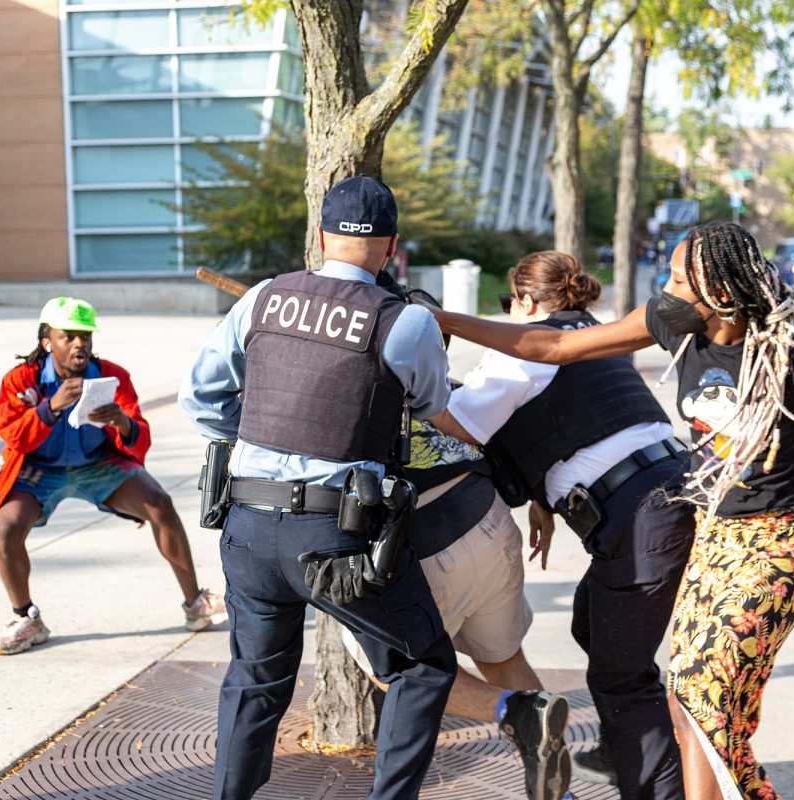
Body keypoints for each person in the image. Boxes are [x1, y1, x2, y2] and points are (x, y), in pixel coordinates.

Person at [425, 222, 794, 800]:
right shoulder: (672, 321)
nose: (666, 286)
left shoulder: (793, 350)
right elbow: (551, 346)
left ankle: (656, 778)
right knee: (693, 705)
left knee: (699, 697)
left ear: (721, 291)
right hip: (713, 538)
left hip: (774, 546)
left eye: (681, 278)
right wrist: (444, 321)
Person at [179, 176, 557, 800]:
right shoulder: (403, 322)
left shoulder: (266, 299)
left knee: (254, 681)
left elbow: (201, 398)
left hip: (245, 524)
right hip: (337, 536)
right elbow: (431, 401)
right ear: (392, 248)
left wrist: (262, 440)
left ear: (322, 236)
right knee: (422, 667)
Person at [425, 250, 696, 800]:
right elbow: (574, 424)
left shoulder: (522, 354)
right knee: (592, 621)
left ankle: (651, 783)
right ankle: (628, 751)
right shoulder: (595, 335)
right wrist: (543, 500)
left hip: (640, 517)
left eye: (510, 305)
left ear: (524, 302)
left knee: (620, 676)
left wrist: (413, 385)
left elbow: (461, 426)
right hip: (679, 490)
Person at [340, 415, 573, 800]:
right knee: (504, 660)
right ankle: (559, 793)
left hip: (419, 541)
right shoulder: (409, 356)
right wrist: (538, 496)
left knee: (400, 672)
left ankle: (518, 709)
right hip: (486, 514)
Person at [0, 297, 225, 656]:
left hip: (97, 463)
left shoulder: (111, 376)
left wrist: (122, 423)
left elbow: (140, 432)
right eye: (69, 337)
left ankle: (194, 604)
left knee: (160, 503)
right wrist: (49, 408)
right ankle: (25, 619)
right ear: (48, 341)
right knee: (7, 524)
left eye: (86, 336)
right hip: (39, 468)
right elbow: (11, 434)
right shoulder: (22, 380)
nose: (80, 344)